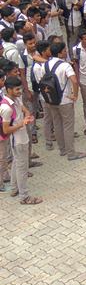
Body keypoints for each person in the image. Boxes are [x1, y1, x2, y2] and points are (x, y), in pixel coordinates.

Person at [39, 42, 86, 161]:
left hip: (51, 100)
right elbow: (74, 81)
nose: (66, 52)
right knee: (68, 126)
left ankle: (62, 149)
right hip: (65, 100)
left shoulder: (44, 65)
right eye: (64, 51)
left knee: (57, 124)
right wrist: (75, 95)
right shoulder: (65, 66)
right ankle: (71, 153)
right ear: (59, 53)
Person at [1, 76, 39, 204]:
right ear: (8, 90)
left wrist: (27, 114)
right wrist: (22, 123)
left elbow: (23, 108)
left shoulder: (15, 99)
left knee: (17, 163)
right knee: (22, 168)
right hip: (17, 141)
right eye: (17, 89)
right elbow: (6, 130)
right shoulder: (6, 108)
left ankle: (14, 188)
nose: (20, 92)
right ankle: (24, 197)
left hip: (22, 138)